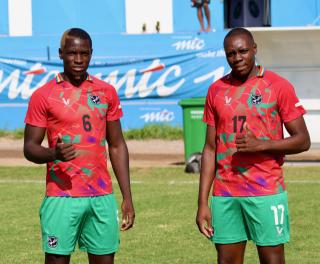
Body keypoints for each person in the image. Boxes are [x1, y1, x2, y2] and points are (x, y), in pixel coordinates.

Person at [196, 27, 310, 263]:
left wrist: (261, 145)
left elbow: (302, 140)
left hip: (265, 191)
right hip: (225, 194)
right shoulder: (216, 90)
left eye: (243, 51)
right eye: (231, 53)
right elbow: (209, 149)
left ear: (254, 49)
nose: (237, 58)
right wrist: (202, 203)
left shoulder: (278, 86)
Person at [23, 28, 135, 264]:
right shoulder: (44, 95)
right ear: (61, 53)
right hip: (61, 197)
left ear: (91, 54)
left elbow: (117, 145)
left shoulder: (106, 92)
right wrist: (53, 153)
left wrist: (127, 197)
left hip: (101, 196)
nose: (78, 59)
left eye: (84, 53)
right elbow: (30, 148)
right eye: (72, 53)